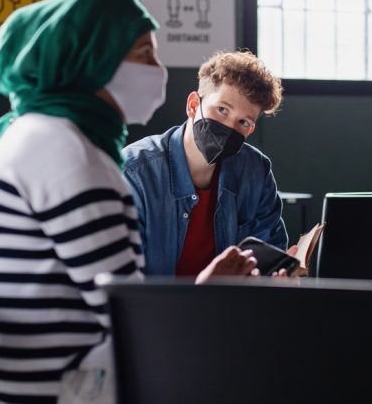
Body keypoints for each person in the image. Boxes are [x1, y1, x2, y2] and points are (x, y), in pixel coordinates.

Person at [0, 0, 260, 404]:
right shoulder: (71, 156)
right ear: (91, 57)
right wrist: (207, 290)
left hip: (22, 375)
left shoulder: (33, 133)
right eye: (144, 52)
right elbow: (130, 321)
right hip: (64, 388)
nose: (158, 69)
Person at [122, 51, 288, 276]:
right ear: (193, 105)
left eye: (243, 122)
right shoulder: (134, 172)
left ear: (251, 130)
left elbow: (271, 251)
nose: (229, 127)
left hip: (230, 307)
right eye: (222, 110)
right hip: (158, 309)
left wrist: (278, 275)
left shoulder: (256, 171)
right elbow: (124, 281)